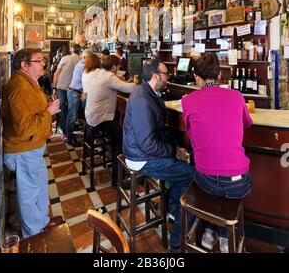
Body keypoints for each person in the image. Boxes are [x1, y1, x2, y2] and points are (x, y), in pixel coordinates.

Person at [181, 53, 253, 253]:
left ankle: (210, 231)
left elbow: (191, 136)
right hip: (238, 182)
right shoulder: (236, 96)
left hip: (206, 180)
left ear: (196, 77)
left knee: (209, 185)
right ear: (220, 77)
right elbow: (248, 123)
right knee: (226, 190)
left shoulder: (188, 101)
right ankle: (223, 236)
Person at [123, 59, 194, 252]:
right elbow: (148, 144)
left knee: (184, 171)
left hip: (143, 152)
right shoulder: (142, 100)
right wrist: (175, 152)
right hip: (140, 157)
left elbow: (158, 134)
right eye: (165, 74)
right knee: (191, 176)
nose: (168, 77)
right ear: (155, 76)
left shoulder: (149, 93)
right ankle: (177, 244)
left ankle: (171, 207)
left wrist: (177, 149)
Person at [1, 48, 61, 238]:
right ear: (24, 65)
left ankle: (41, 221)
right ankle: (35, 234)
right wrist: (49, 111)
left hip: (30, 148)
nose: (44, 63)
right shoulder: (20, 87)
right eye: (39, 60)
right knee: (30, 193)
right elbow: (25, 128)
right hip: (23, 149)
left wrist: (46, 105)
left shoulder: (26, 81)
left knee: (37, 187)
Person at [82, 55, 136, 187]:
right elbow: (129, 88)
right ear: (113, 67)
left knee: (116, 136)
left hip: (91, 117)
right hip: (100, 119)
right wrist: (135, 82)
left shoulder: (100, 73)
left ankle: (115, 159)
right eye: (118, 66)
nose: (118, 68)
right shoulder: (109, 77)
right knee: (122, 139)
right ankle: (117, 180)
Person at [53, 44, 81, 138]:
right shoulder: (81, 60)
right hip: (73, 89)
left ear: (72, 50)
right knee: (71, 112)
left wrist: (54, 88)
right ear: (80, 51)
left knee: (62, 110)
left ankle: (64, 131)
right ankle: (69, 131)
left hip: (61, 86)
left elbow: (56, 73)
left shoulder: (65, 58)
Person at [66, 49, 91, 146]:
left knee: (74, 116)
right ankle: (70, 139)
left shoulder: (81, 64)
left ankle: (83, 137)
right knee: (72, 117)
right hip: (74, 92)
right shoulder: (83, 66)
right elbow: (86, 81)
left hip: (76, 92)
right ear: (85, 57)